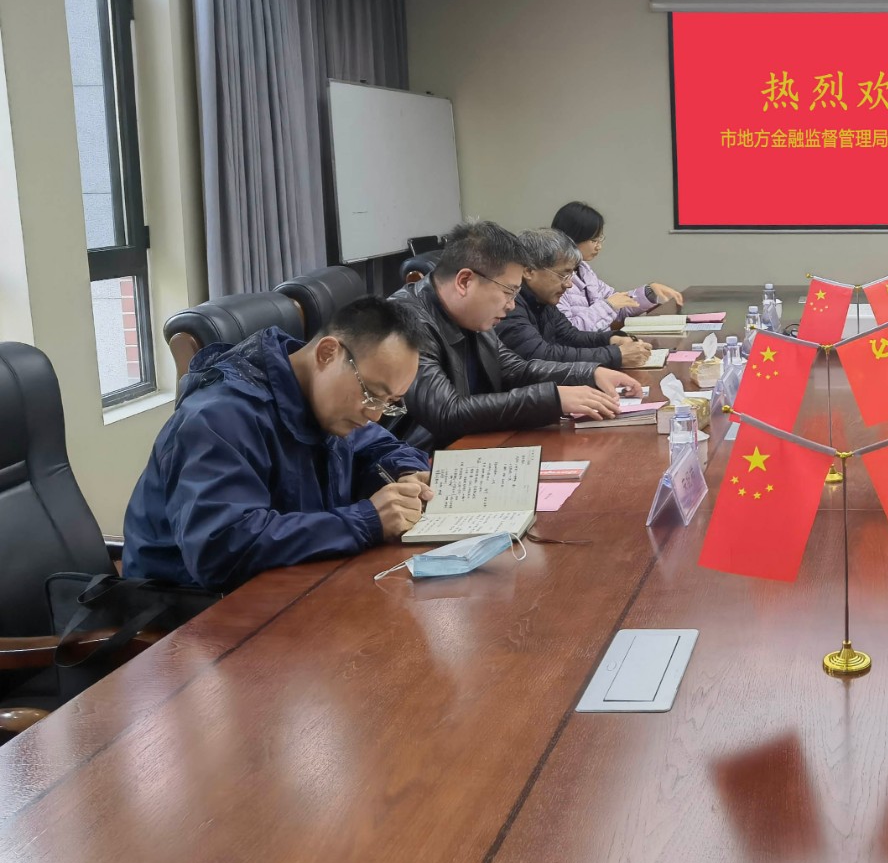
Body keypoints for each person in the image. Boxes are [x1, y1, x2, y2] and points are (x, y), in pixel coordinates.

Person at [121, 297, 436, 591]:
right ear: (328, 353)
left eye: (389, 402)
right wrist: (366, 520)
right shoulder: (218, 418)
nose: (375, 414)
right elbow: (221, 548)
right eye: (371, 394)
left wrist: (406, 474)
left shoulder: (327, 400)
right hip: (188, 608)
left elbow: (382, 448)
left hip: (288, 586)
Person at [390, 221, 628, 448]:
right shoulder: (403, 320)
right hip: (423, 462)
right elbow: (447, 412)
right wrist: (553, 399)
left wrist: (589, 373)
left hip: (477, 443)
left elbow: (517, 370)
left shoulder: (474, 316)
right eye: (508, 292)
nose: (512, 305)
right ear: (465, 281)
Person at [498, 228, 656, 369]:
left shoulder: (542, 300)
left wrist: (612, 339)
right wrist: (615, 355)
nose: (569, 284)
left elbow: (570, 336)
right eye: (563, 275)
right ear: (529, 271)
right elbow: (541, 355)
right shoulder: (510, 305)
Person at [550, 200, 685, 333]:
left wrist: (649, 292)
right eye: (594, 240)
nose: (599, 246)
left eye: (600, 239)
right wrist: (608, 305)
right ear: (571, 239)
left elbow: (619, 306)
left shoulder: (585, 272)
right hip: (588, 347)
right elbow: (569, 332)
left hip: (602, 344)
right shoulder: (554, 281)